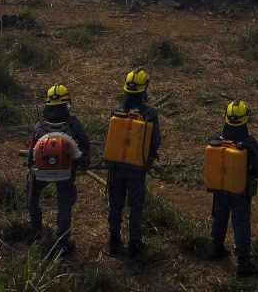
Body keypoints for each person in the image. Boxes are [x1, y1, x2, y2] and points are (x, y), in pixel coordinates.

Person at [27, 84, 92, 256]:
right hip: (65, 172)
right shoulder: (74, 124)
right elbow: (85, 146)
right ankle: (62, 240)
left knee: (32, 193)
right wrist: (83, 162)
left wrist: (30, 167)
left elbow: (31, 151)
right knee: (65, 205)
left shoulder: (39, 126)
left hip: (40, 172)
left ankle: (35, 227)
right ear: (66, 104)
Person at [105, 69, 162, 257]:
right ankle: (134, 243)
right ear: (143, 90)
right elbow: (155, 142)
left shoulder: (116, 110)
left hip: (116, 166)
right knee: (136, 205)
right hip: (136, 168)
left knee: (116, 203)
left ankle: (114, 240)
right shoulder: (150, 113)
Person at [208, 100, 258, 278]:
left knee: (219, 217)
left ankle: (216, 248)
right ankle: (243, 262)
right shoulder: (249, 143)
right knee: (241, 224)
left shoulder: (217, 138)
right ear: (245, 119)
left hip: (219, 188)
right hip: (239, 191)